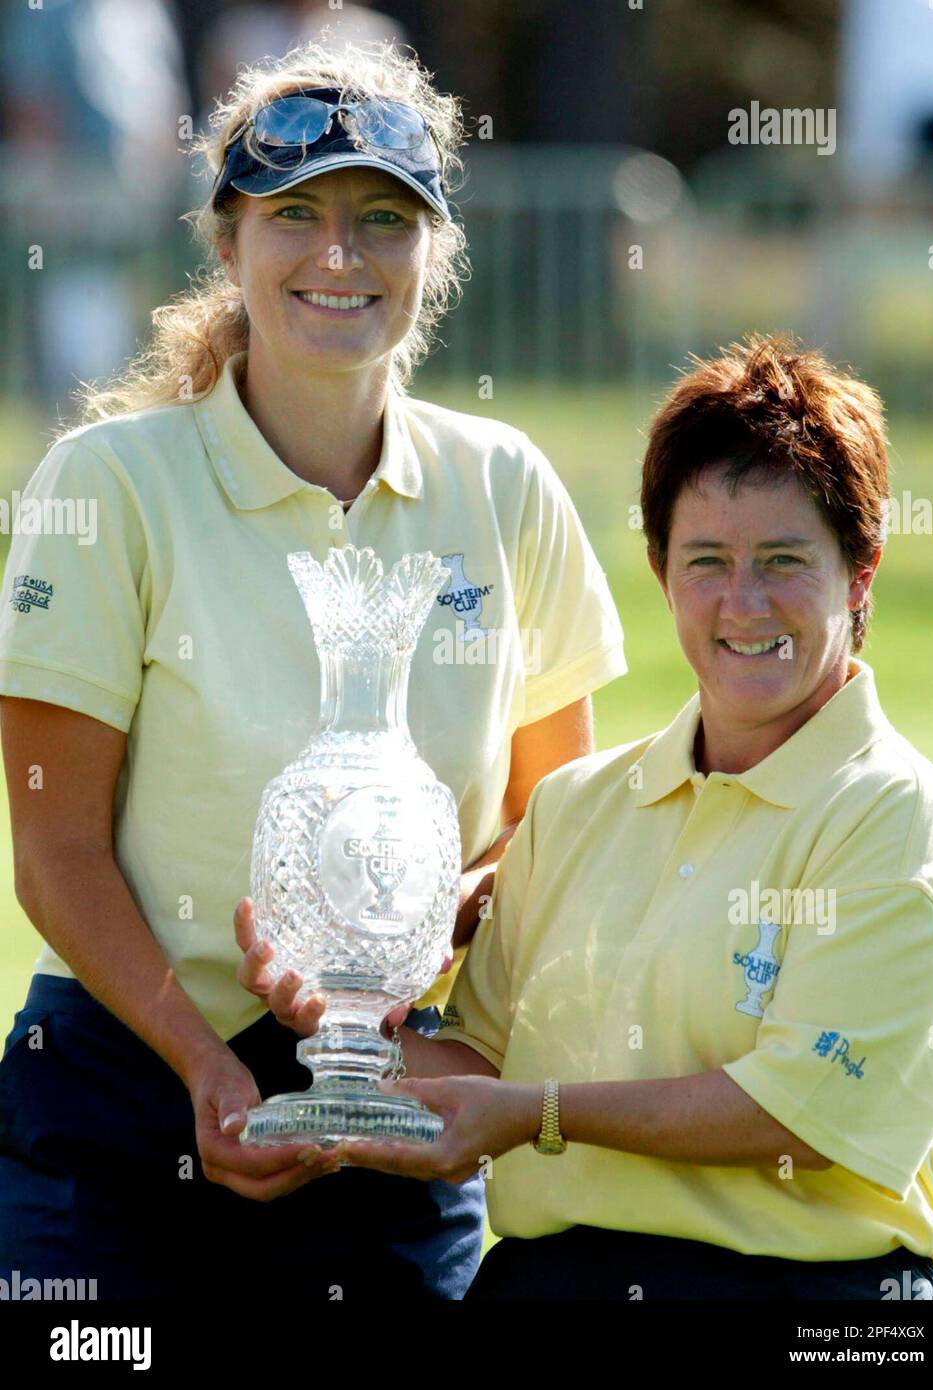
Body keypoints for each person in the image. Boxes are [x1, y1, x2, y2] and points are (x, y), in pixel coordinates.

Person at [0, 37, 626, 1301]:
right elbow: (53, 848)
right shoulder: (110, 483)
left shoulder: (503, 488)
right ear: (227, 243)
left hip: (391, 1102)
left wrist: (433, 929)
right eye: (296, 215)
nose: (339, 255)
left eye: (382, 222)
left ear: (430, 258)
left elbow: (554, 831)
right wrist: (201, 1062)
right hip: (121, 1088)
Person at [312, 336, 933, 1300]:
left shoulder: (896, 817)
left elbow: (793, 1116)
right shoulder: (573, 809)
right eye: (707, 560)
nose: (743, 604)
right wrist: (349, 1010)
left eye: (785, 559)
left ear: (862, 570)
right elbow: (479, 1061)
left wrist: (536, 1115)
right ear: (661, 570)